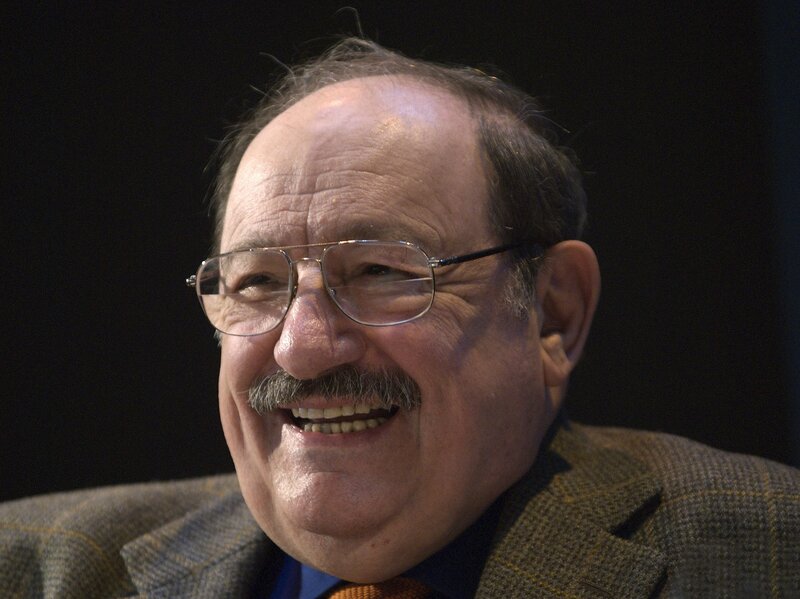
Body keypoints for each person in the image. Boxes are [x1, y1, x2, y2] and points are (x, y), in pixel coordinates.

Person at [1, 38, 799, 598]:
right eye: (254, 282)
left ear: (554, 312)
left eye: (380, 272)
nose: (304, 347)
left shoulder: (762, 552)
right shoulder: (34, 567)